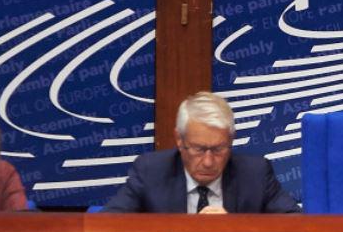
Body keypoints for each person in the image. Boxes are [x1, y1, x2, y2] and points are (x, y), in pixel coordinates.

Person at [103, 91, 298, 213]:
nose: (208, 161)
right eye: (199, 149)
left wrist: (235, 229)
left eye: (218, 149)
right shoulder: (151, 172)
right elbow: (109, 226)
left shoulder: (255, 174)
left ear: (231, 140)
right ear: (179, 140)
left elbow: (295, 226)